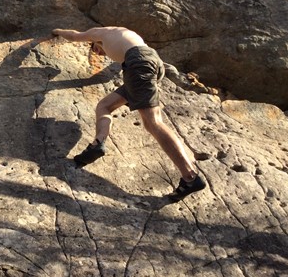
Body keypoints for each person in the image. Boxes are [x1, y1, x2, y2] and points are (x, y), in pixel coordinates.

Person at [51, 26, 206, 201]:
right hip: (150, 63)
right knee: (104, 106)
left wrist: (57, 31)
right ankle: (98, 143)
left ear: (95, 41)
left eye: (94, 48)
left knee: (153, 122)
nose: (98, 53)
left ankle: (190, 176)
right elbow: (141, 57)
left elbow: (75, 36)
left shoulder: (101, 33)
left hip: (139, 65)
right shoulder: (124, 34)